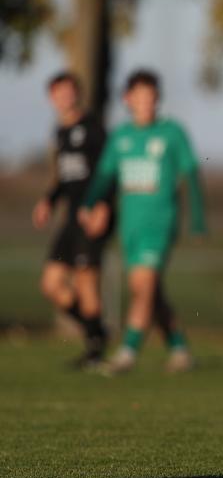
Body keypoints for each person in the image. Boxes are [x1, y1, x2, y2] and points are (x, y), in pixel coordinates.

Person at [79, 69, 207, 374]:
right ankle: (179, 349)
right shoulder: (121, 137)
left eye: (151, 97)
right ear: (128, 99)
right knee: (149, 292)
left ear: (157, 99)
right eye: (140, 97)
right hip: (130, 225)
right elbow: (105, 175)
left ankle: (127, 352)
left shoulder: (172, 133)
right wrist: (89, 203)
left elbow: (191, 172)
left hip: (160, 223)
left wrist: (198, 217)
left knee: (144, 287)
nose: (146, 103)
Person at [31, 72, 114, 369]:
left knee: (85, 282)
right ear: (51, 99)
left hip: (93, 215)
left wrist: (103, 205)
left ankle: (95, 351)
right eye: (57, 93)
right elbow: (66, 178)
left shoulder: (93, 129)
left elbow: (109, 170)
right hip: (71, 218)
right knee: (51, 284)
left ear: (77, 94)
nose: (63, 98)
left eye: (68, 92)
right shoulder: (60, 132)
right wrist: (48, 201)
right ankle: (97, 332)